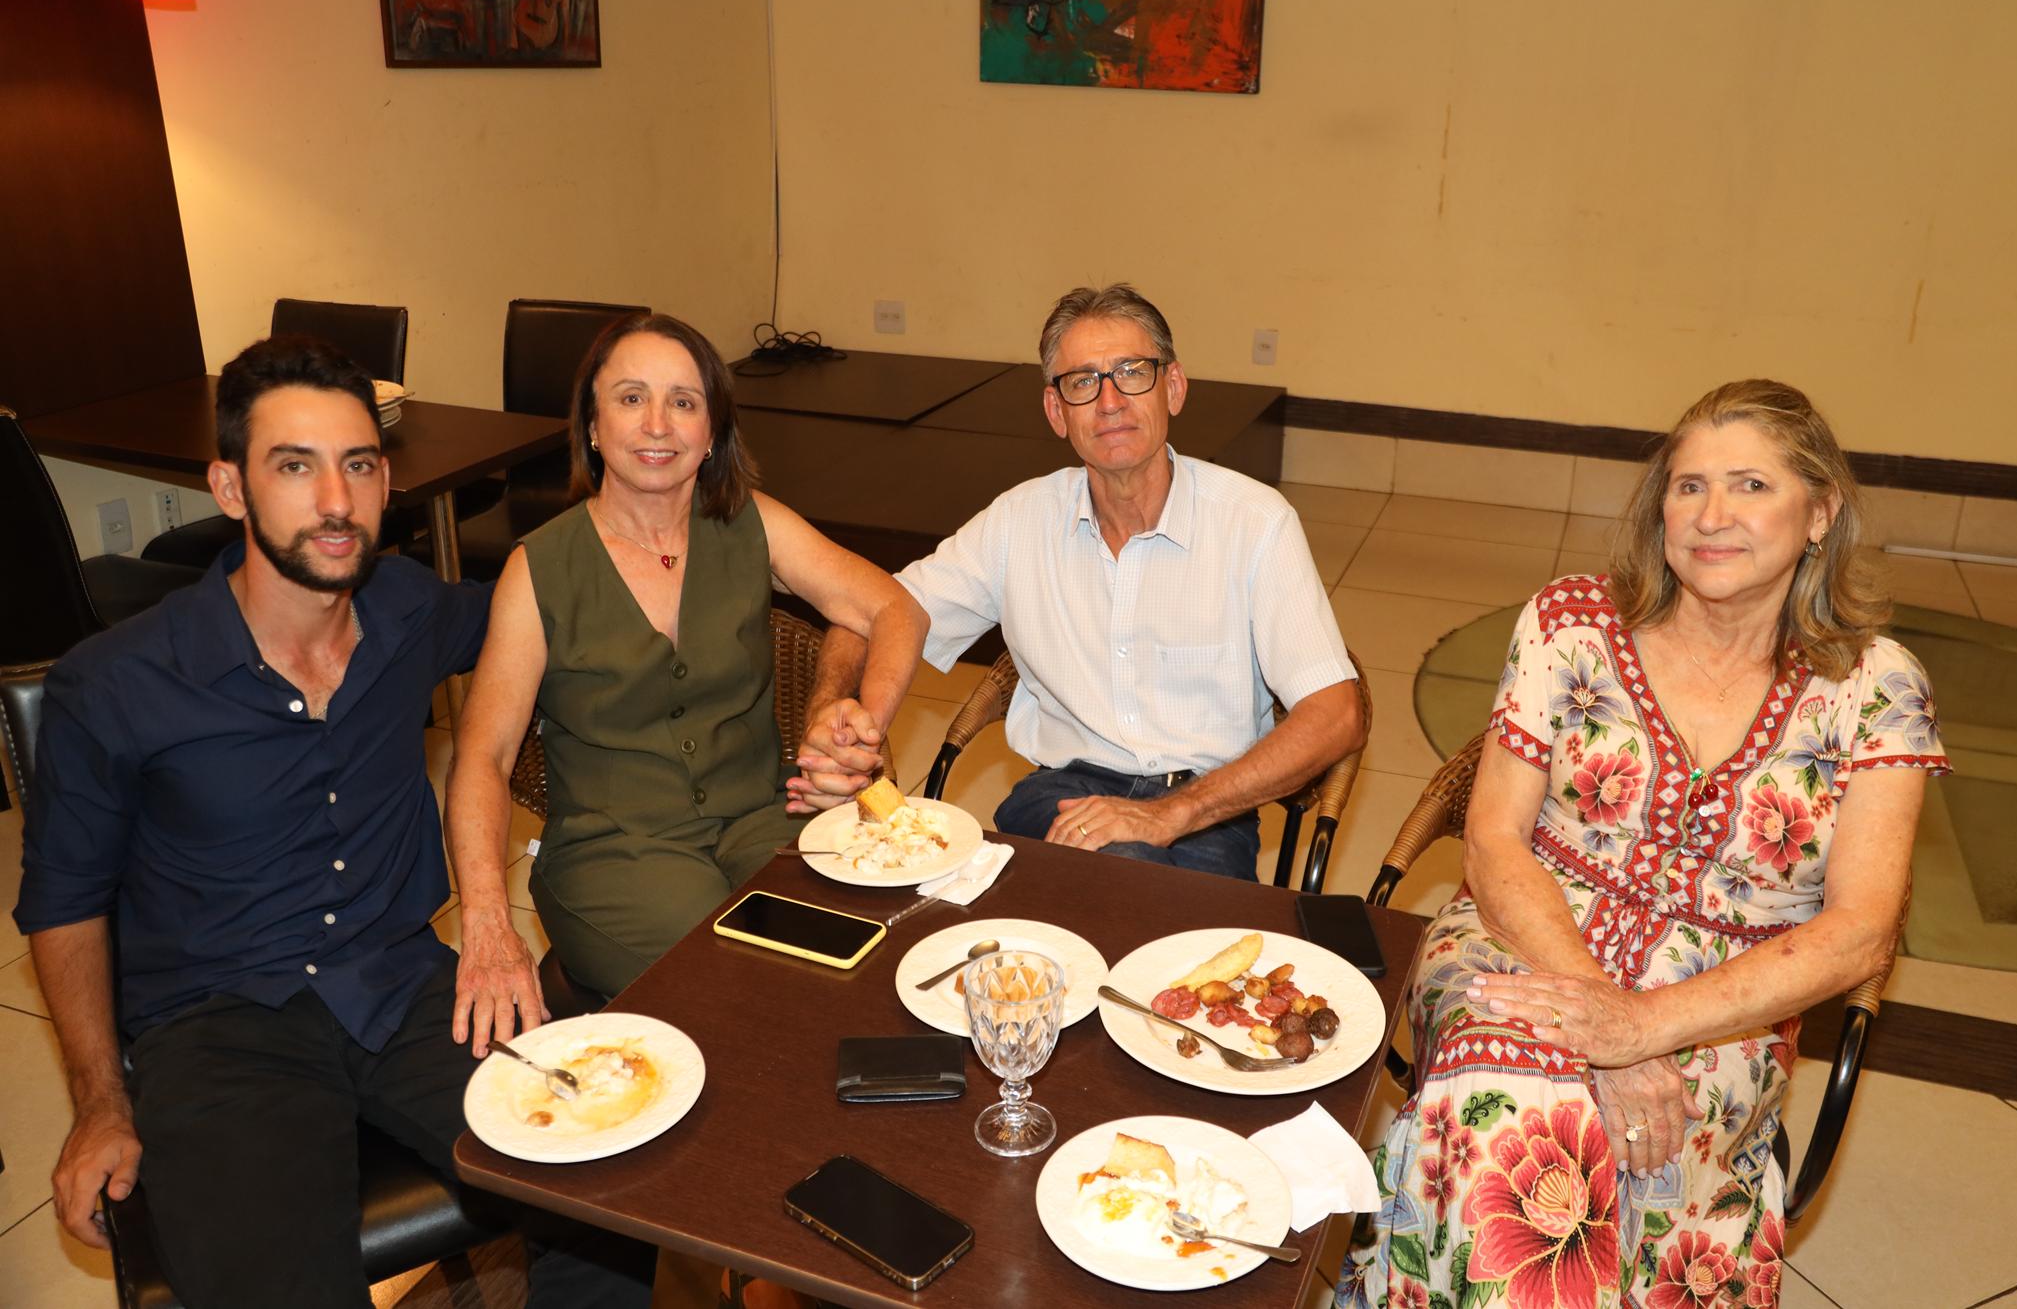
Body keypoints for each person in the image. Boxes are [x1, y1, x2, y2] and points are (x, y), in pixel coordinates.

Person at [14, 337, 651, 1309]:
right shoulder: (115, 684)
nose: (335, 500)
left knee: (612, 1188)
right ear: (230, 487)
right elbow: (64, 905)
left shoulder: (408, 610)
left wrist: (665, 517)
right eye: (294, 466)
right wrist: (100, 1101)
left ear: (386, 480)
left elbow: (546, 602)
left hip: (406, 988)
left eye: (357, 465)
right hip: (219, 1025)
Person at [1340, 380, 1947, 1309]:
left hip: (1723, 1003)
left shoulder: (1878, 687)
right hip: (1524, 937)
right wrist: (1608, 1025)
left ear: (1821, 512)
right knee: (1512, 1113)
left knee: (1582, 1137)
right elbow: (1494, 841)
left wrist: (1644, 1028)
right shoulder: (1569, 623)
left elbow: (1861, 930)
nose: (1711, 514)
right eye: (1688, 485)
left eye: (1751, 485)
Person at [444, 312, 926, 1017]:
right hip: (614, 856)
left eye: (683, 401)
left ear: (712, 433)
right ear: (592, 425)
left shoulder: (751, 522)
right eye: (631, 398)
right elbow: (483, 757)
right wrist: (488, 920)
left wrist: (857, 727)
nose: (657, 424)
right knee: (729, 978)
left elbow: (893, 608)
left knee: (867, 944)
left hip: (765, 822)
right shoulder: (539, 569)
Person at [836, 283, 1363, 879]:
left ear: (1174, 388)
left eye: (1132, 373)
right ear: (1056, 411)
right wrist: (847, 717)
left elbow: (1337, 714)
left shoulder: (1255, 523)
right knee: (1116, 878)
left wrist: (1171, 814)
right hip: (1062, 794)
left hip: (1205, 811)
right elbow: (875, 609)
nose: (1109, 401)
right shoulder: (1018, 521)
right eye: (1083, 382)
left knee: (1138, 886)